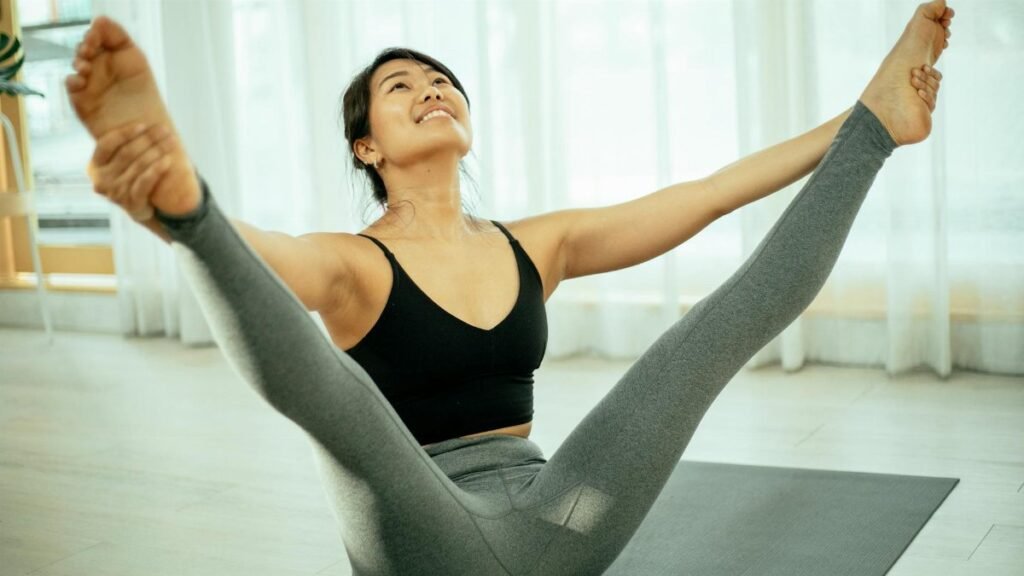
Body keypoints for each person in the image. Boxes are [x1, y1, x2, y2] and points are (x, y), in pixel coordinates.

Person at [64, 2, 954, 574]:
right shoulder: (350, 262)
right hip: (423, 531)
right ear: (365, 148)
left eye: (441, 79)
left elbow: (709, 194)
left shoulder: (540, 245)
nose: (431, 88)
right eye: (399, 87)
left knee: (712, 331)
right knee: (333, 403)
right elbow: (267, 258)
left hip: (562, 516)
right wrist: (187, 214)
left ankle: (876, 130)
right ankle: (184, 210)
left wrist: (858, 123)